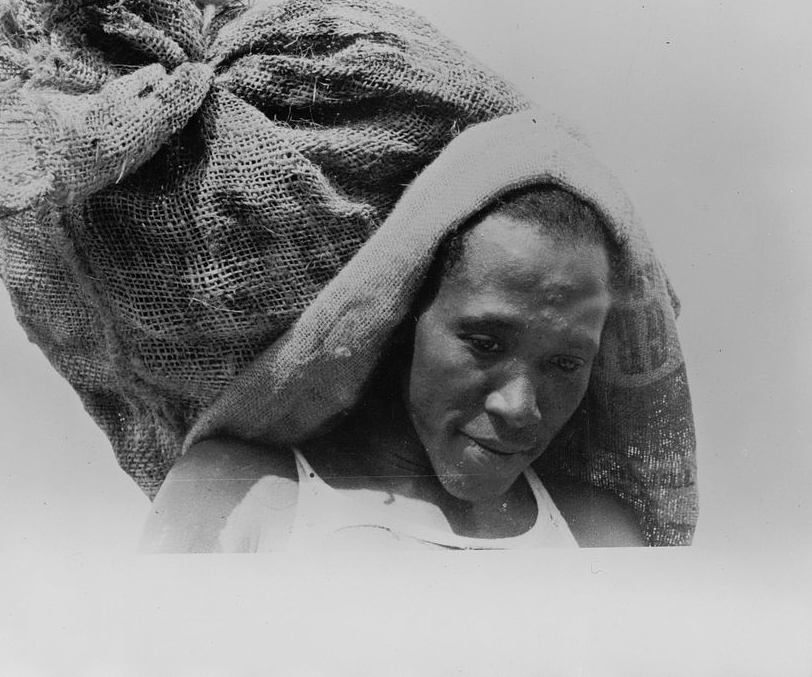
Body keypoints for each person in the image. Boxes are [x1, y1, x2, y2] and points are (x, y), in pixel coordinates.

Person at [141, 185, 645, 551]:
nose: (520, 407)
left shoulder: (595, 536)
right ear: (404, 320)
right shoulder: (238, 493)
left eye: (565, 363)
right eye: (486, 343)